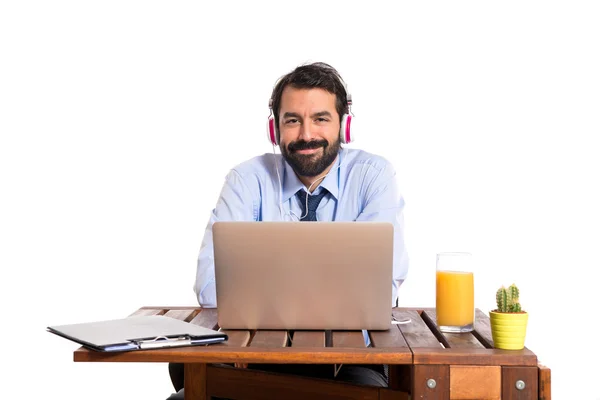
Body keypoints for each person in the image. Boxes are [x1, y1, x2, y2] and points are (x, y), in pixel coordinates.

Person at [167, 62, 409, 399]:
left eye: (320, 119)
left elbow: (382, 288)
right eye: (292, 120)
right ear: (275, 130)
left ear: (345, 126)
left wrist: (264, 294)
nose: (306, 135)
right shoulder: (247, 180)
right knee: (183, 376)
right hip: (254, 357)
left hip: (351, 361)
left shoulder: (374, 176)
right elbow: (211, 288)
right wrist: (330, 289)